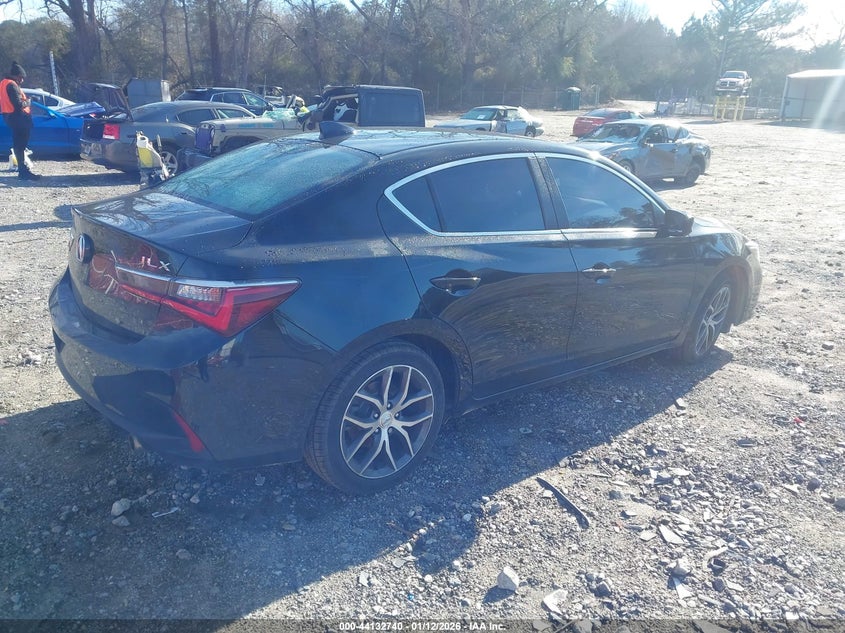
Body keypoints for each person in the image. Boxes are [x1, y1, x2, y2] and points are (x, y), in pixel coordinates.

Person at [0, 61, 40, 181]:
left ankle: (22, 170)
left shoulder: (3, 83)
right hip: (19, 118)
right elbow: (18, 104)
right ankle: (23, 172)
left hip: (9, 117)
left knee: (18, 145)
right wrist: (29, 101)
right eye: (21, 77)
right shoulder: (12, 85)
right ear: (16, 76)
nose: (22, 80)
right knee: (20, 145)